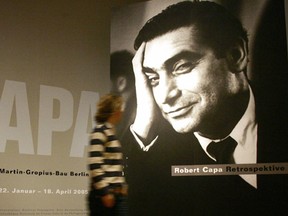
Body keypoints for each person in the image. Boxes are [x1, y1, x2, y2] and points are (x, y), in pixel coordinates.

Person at [126, 1, 288, 215]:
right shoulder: (157, 157)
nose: (165, 96)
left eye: (181, 67)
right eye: (153, 78)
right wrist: (143, 126)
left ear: (236, 56)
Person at [87, 94, 128, 216]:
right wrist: (105, 192)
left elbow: (112, 165)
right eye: (120, 108)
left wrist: (121, 186)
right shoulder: (100, 132)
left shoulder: (110, 132)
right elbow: (94, 164)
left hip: (116, 194)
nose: (122, 111)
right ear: (114, 110)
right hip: (105, 195)